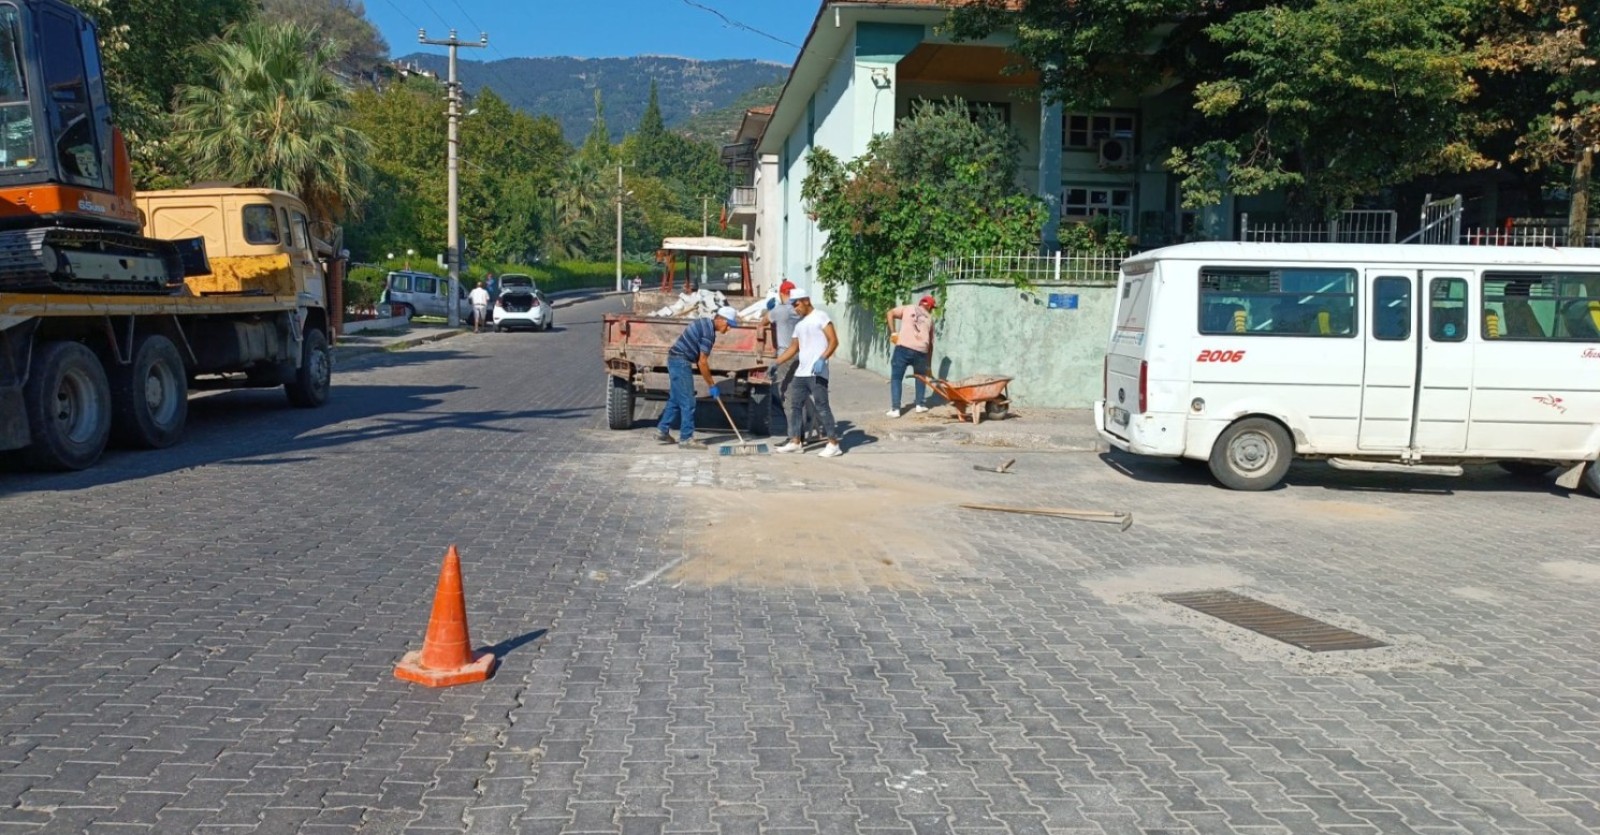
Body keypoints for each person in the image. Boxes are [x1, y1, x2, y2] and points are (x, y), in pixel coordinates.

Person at [772, 288, 843, 458]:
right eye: (792, 305)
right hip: (801, 373)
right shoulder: (799, 325)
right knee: (795, 406)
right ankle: (796, 442)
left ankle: (834, 444)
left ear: (806, 301)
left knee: (822, 406)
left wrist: (823, 358)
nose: (795, 308)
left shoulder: (821, 316)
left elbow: (834, 341)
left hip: (817, 372)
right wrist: (776, 362)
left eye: (796, 304)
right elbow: (793, 348)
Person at [657, 305, 738, 449]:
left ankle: (662, 430)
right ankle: (686, 438)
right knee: (689, 401)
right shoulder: (709, 333)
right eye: (729, 324)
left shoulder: (706, 323)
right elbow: (702, 362)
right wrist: (712, 385)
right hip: (680, 362)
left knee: (676, 399)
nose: (729, 329)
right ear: (720, 319)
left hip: (675, 359)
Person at [885, 294, 937, 417]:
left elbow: (890, 313)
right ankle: (920, 405)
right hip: (921, 351)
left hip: (903, 347)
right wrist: (928, 366)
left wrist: (893, 333)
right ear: (929, 306)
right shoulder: (929, 319)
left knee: (897, 378)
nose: (932, 310)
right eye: (932, 308)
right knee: (920, 377)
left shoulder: (908, 308)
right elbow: (930, 345)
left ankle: (896, 409)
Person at [766, 279, 803, 435]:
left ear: (782, 294)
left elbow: (763, 322)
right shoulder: (801, 310)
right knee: (799, 394)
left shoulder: (779, 310)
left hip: (785, 357)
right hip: (801, 357)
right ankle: (800, 432)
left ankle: (794, 436)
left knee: (785, 395)